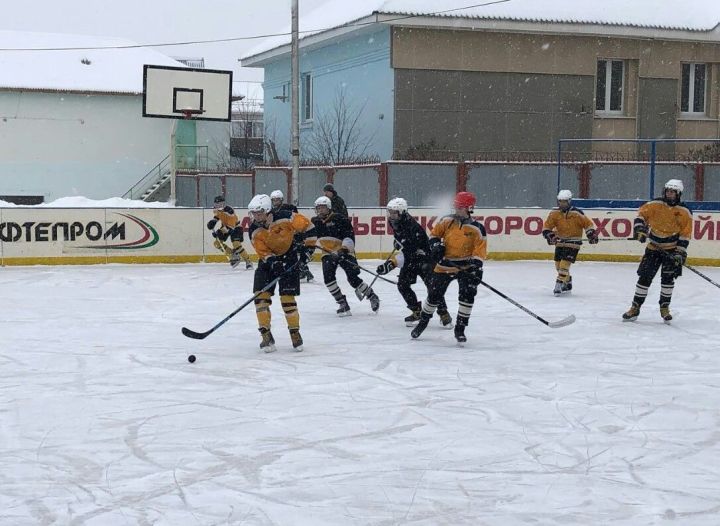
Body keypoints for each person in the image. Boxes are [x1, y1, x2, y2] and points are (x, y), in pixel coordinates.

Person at [410, 191, 486, 344]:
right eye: (456, 206)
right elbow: (433, 235)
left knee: (467, 296)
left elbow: (480, 250)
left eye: (460, 207)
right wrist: (436, 245)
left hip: (466, 266)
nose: (456, 210)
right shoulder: (446, 221)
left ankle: (460, 328)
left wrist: (476, 267)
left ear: (469, 208)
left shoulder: (478, 228)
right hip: (445, 264)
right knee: (434, 295)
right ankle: (423, 322)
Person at [247, 194, 311, 352]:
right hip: (268, 263)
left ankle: (295, 333)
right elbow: (262, 252)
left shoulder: (286, 217)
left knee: (287, 299)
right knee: (260, 298)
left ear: (268, 211)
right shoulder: (254, 229)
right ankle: (266, 335)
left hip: (289, 258)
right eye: (253, 213)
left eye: (259, 212)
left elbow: (309, 227)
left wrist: (308, 248)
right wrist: (272, 262)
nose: (256, 216)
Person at [622, 179, 692, 323]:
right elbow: (641, 215)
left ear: (678, 194)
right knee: (644, 278)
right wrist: (640, 229)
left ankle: (664, 307)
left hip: (672, 251)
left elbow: (685, 234)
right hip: (653, 248)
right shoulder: (654, 204)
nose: (669, 194)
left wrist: (679, 252)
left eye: (673, 192)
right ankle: (635, 307)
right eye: (668, 191)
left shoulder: (685, 212)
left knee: (668, 280)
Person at [376, 197, 452, 328]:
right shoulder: (395, 222)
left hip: (424, 259)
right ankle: (417, 311)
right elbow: (404, 245)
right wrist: (399, 242)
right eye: (390, 212)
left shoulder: (412, 227)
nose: (391, 215)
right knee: (402, 285)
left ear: (402, 212)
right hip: (411, 259)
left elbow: (410, 252)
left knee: (433, 287)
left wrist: (391, 264)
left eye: (394, 212)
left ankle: (443, 313)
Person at [305, 195, 380, 316]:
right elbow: (310, 238)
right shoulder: (315, 222)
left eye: (322, 208)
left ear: (329, 208)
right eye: (318, 208)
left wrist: (343, 250)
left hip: (344, 252)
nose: (320, 211)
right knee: (328, 279)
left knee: (353, 279)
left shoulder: (340, 219)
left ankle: (371, 295)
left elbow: (349, 236)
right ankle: (342, 303)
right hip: (328, 253)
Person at [542, 190, 599, 295]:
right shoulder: (554, 214)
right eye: (560, 202)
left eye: (564, 202)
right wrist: (550, 235)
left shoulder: (577, 213)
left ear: (569, 201)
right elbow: (546, 227)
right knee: (558, 266)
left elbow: (588, 225)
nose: (562, 204)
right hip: (560, 242)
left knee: (564, 264)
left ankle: (558, 284)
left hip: (573, 243)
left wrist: (591, 234)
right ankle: (567, 282)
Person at [271, 189, 314, 283]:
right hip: (282, 236)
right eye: (274, 200)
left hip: (294, 234)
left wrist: (296, 233)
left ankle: (303, 267)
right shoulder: (271, 211)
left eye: (277, 200)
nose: (275, 202)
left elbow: (296, 220)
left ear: (281, 200)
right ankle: (302, 270)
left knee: (294, 253)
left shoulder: (289, 207)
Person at [207, 195, 253, 269]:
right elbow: (217, 217)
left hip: (236, 227)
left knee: (236, 244)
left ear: (223, 203)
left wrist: (218, 232)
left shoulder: (229, 210)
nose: (218, 206)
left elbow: (231, 227)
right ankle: (233, 255)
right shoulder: (216, 210)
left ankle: (248, 262)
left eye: (220, 204)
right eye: (216, 204)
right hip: (225, 227)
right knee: (217, 243)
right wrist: (212, 222)